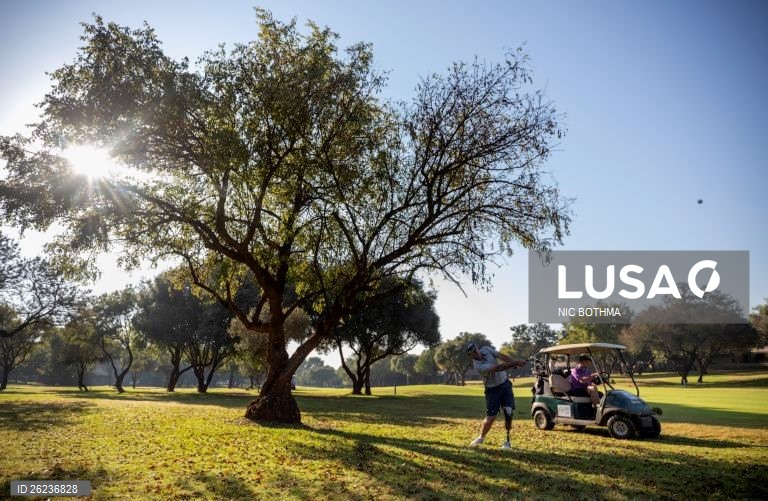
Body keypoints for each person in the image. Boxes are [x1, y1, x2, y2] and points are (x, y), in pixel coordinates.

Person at [466, 342, 526, 449]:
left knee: (508, 412)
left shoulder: (486, 349)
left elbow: (501, 356)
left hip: (505, 385)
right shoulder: (478, 367)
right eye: (473, 353)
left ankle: (507, 441)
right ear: (470, 356)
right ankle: (481, 437)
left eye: (476, 350)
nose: (476, 353)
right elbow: (498, 368)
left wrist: (514, 362)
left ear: (478, 348)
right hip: (492, 390)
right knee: (491, 418)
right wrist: (515, 363)